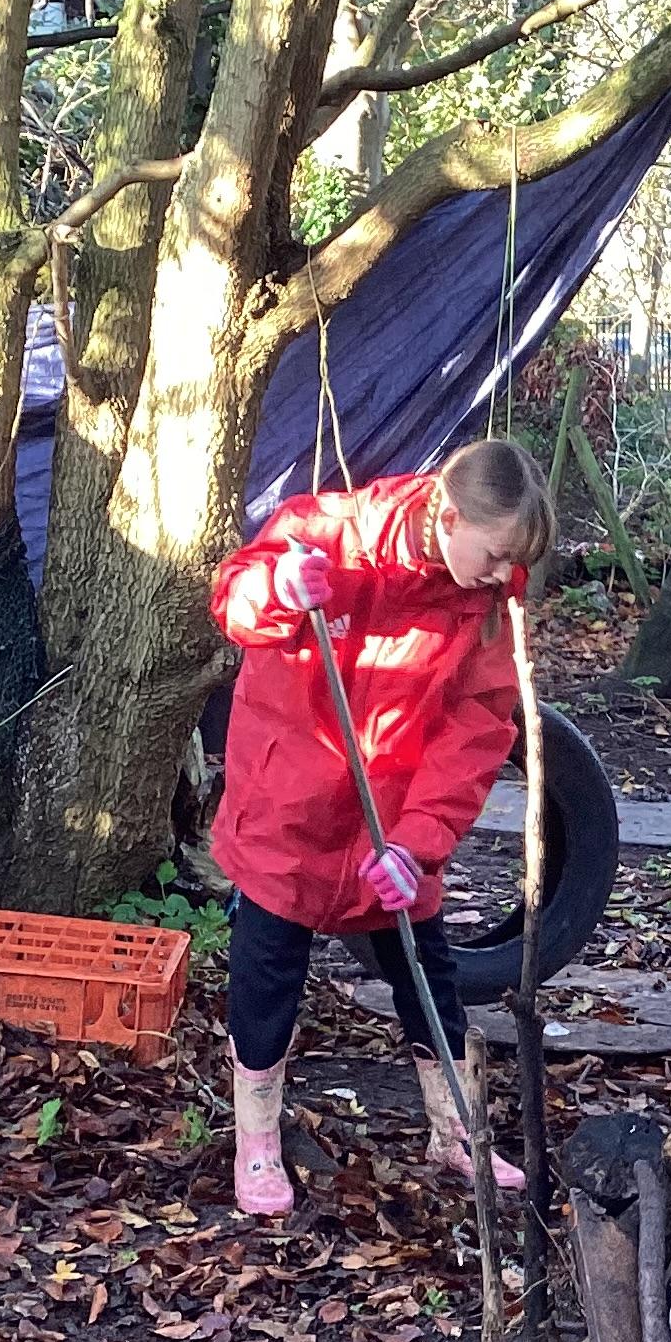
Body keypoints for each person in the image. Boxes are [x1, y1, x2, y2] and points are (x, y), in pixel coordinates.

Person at [207, 441, 555, 1218]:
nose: (503, 575)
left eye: (514, 562)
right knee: (268, 973)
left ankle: (455, 1129)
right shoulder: (327, 532)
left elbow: (476, 730)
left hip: (389, 819)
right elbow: (233, 601)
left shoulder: (485, 602)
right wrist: (279, 589)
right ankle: (256, 1139)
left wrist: (418, 842)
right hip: (287, 809)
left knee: (427, 970)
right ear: (449, 516)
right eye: (495, 555)